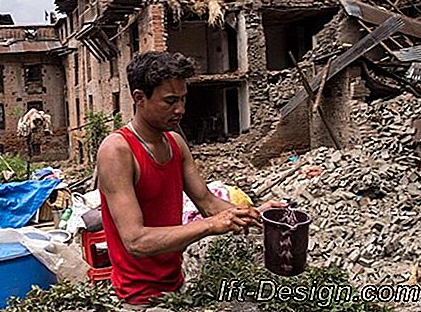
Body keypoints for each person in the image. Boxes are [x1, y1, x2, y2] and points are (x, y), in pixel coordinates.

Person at [97, 51, 285, 308]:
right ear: (139, 98)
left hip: (176, 285)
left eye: (183, 99)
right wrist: (210, 226)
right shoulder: (117, 151)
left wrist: (256, 215)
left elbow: (207, 202)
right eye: (170, 101)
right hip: (137, 299)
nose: (180, 110)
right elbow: (136, 241)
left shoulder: (175, 142)